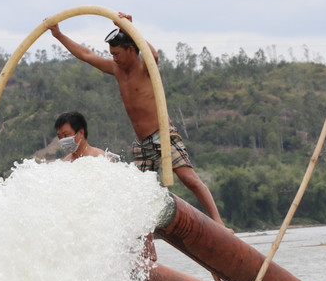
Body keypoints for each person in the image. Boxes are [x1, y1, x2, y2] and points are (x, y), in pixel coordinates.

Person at [47, 13, 223, 225]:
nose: (114, 58)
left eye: (117, 53)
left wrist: (129, 27)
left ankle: (219, 222)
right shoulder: (116, 69)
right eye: (112, 54)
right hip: (142, 142)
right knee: (141, 195)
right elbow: (86, 55)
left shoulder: (145, 67)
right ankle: (147, 246)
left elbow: (154, 55)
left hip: (162, 134)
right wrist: (58, 35)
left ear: (131, 49)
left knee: (188, 178)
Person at [54, 110, 120, 162]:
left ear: (81, 133)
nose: (63, 140)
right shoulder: (65, 163)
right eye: (60, 137)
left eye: (66, 135)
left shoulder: (102, 159)